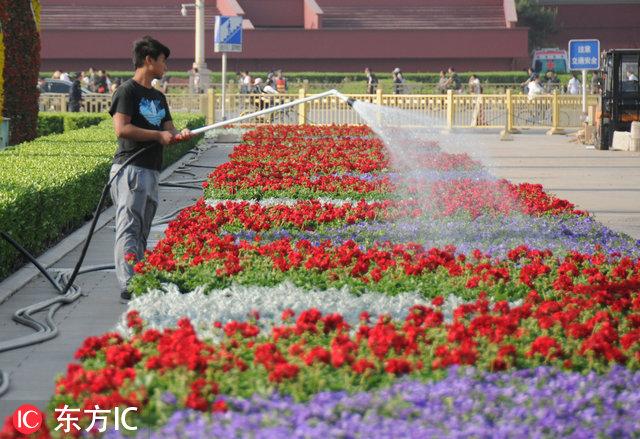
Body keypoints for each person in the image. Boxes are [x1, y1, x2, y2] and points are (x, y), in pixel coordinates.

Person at [109, 35, 192, 302]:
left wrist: (181, 134)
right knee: (129, 226)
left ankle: (140, 274)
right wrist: (157, 136)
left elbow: (169, 130)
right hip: (130, 169)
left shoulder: (158, 97)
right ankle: (128, 282)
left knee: (143, 226)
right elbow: (122, 129)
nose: (166, 65)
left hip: (152, 170)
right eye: (163, 60)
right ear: (148, 60)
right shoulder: (127, 92)